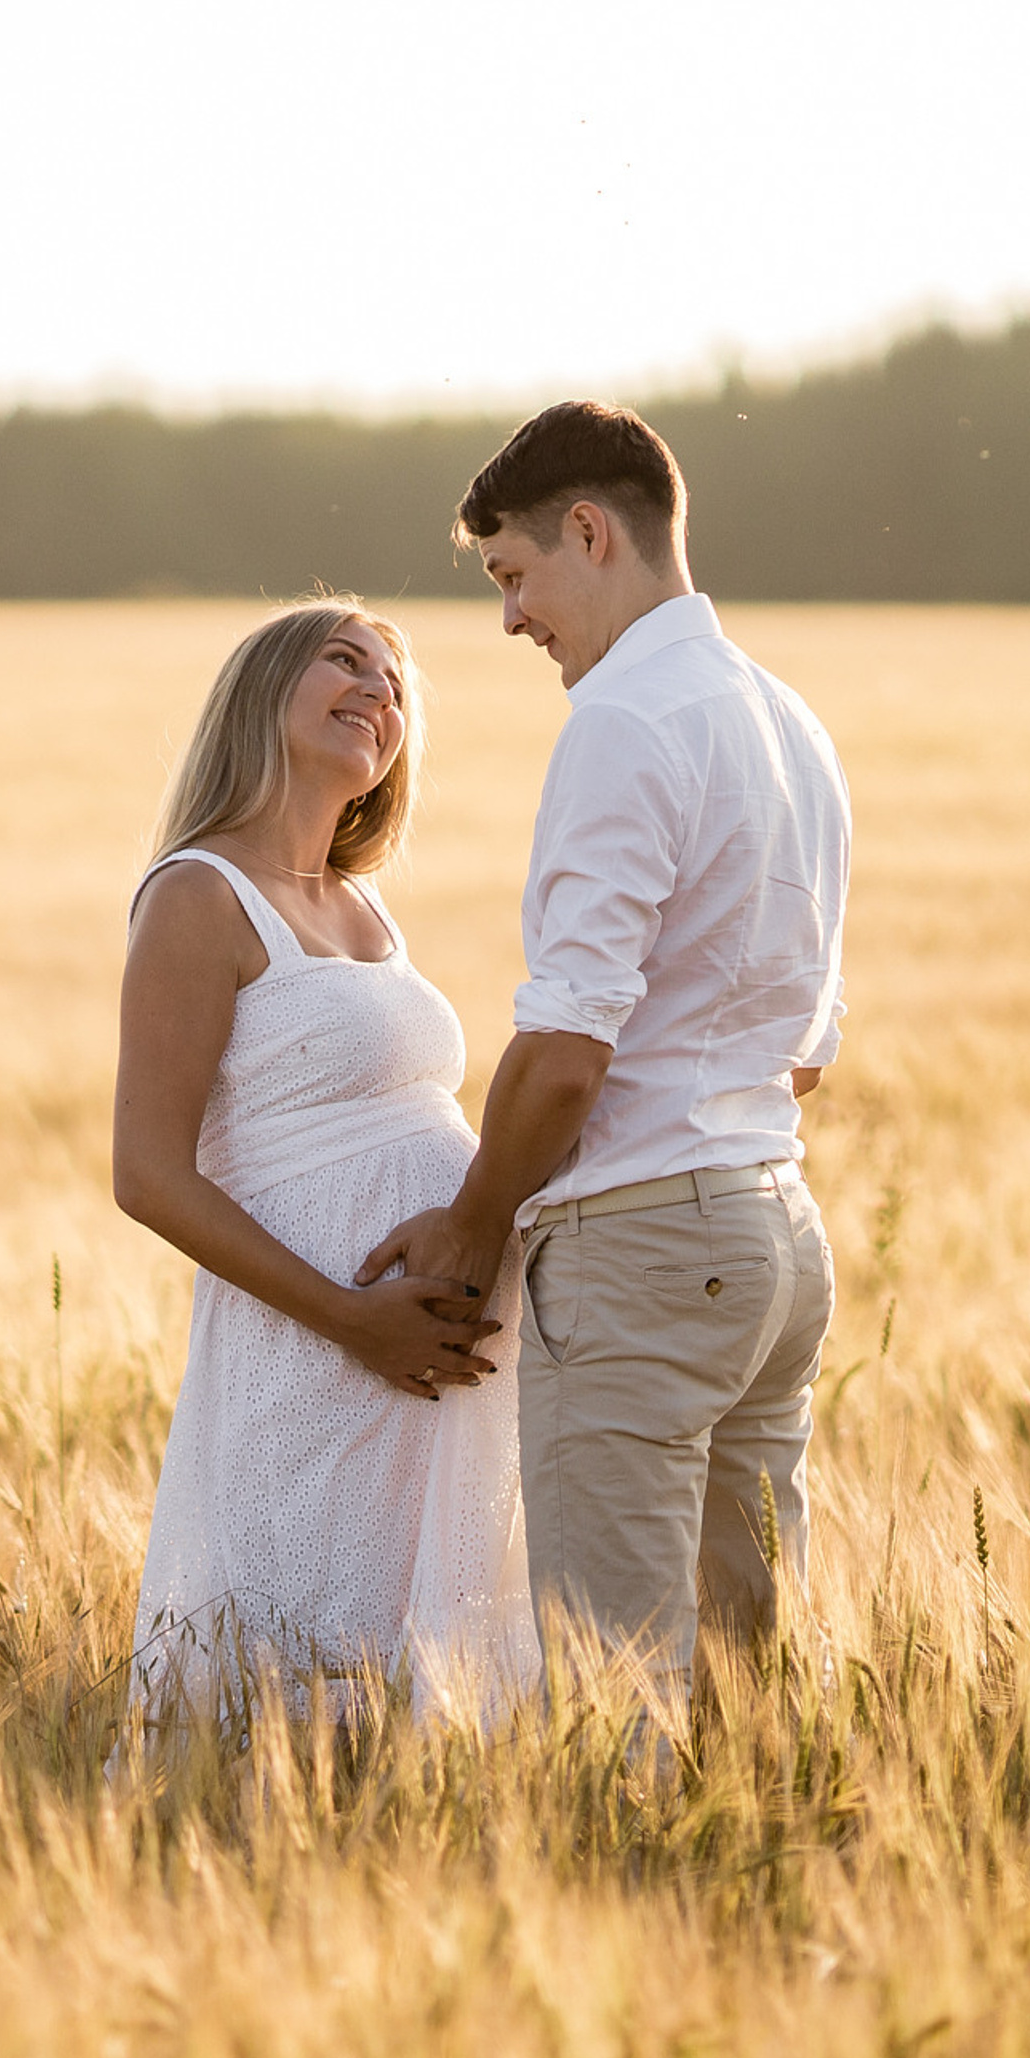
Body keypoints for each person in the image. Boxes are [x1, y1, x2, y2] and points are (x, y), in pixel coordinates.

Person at [358, 403, 850, 1709]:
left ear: (591, 532)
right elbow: (804, 1055)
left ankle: (636, 1906)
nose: (513, 620)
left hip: (644, 1253)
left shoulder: (625, 725)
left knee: (614, 1696)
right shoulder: (791, 722)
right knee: (752, 1692)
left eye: (514, 577)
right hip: (777, 1242)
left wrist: (473, 1228)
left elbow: (568, 1055)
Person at [112, 600, 541, 1719]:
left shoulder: (363, 907)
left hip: (439, 1353)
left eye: (395, 683)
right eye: (343, 662)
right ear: (262, 694)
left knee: (434, 1673)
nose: (378, 692)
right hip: (319, 1346)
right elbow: (148, 1173)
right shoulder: (199, 894)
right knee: (302, 1672)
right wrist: (353, 1319)